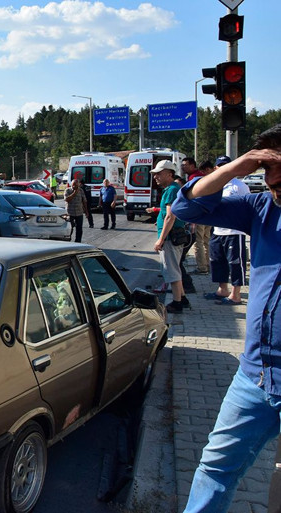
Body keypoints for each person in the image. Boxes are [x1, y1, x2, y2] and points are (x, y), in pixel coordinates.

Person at [172, 124, 281, 513]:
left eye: (279, 168)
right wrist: (237, 167)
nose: (273, 181)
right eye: (266, 170)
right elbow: (186, 207)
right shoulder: (261, 208)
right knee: (215, 469)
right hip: (255, 376)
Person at [204, 155, 250, 306]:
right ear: (216, 168)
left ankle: (235, 295)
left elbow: (248, 207)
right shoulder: (214, 186)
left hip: (234, 232)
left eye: (226, 165)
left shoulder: (239, 186)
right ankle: (222, 290)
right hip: (218, 231)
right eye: (220, 165)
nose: (222, 167)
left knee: (235, 263)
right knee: (217, 261)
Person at [150, 160, 189, 313]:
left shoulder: (172, 190)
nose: (155, 177)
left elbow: (170, 217)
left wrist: (160, 239)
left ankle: (177, 303)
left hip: (170, 238)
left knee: (171, 271)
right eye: (154, 174)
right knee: (175, 269)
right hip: (173, 236)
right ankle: (183, 298)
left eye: (159, 174)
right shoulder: (172, 188)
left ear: (169, 173)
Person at [189, 160, 214, 275]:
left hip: (199, 215)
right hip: (209, 214)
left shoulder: (200, 181)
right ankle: (208, 264)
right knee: (206, 240)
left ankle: (202, 267)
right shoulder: (215, 181)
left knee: (198, 241)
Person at [64, 177, 88, 242]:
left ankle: (78, 241)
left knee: (79, 228)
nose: (75, 186)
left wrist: (86, 211)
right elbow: (67, 199)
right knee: (70, 228)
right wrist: (74, 193)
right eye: (73, 185)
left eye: (76, 185)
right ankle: (68, 240)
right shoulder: (67, 190)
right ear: (71, 184)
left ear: (79, 185)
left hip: (79, 212)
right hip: (70, 213)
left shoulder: (81, 190)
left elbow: (84, 201)